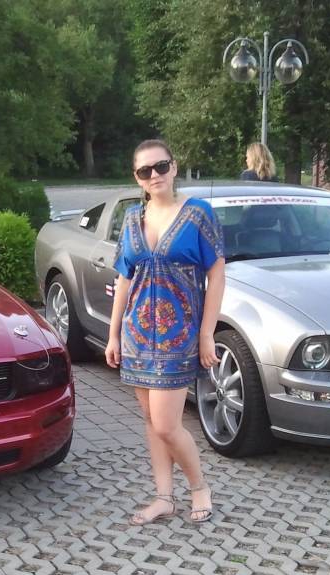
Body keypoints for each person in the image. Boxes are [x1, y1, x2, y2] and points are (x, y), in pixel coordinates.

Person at [106, 139, 226, 525]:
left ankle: (199, 488)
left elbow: (217, 274)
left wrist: (207, 333)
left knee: (166, 424)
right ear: (137, 178)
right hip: (137, 335)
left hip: (180, 335)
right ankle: (164, 497)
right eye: (145, 171)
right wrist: (113, 334)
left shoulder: (198, 213)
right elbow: (124, 279)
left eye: (161, 166)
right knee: (150, 421)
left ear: (174, 167)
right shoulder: (131, 219)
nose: (154, 175)